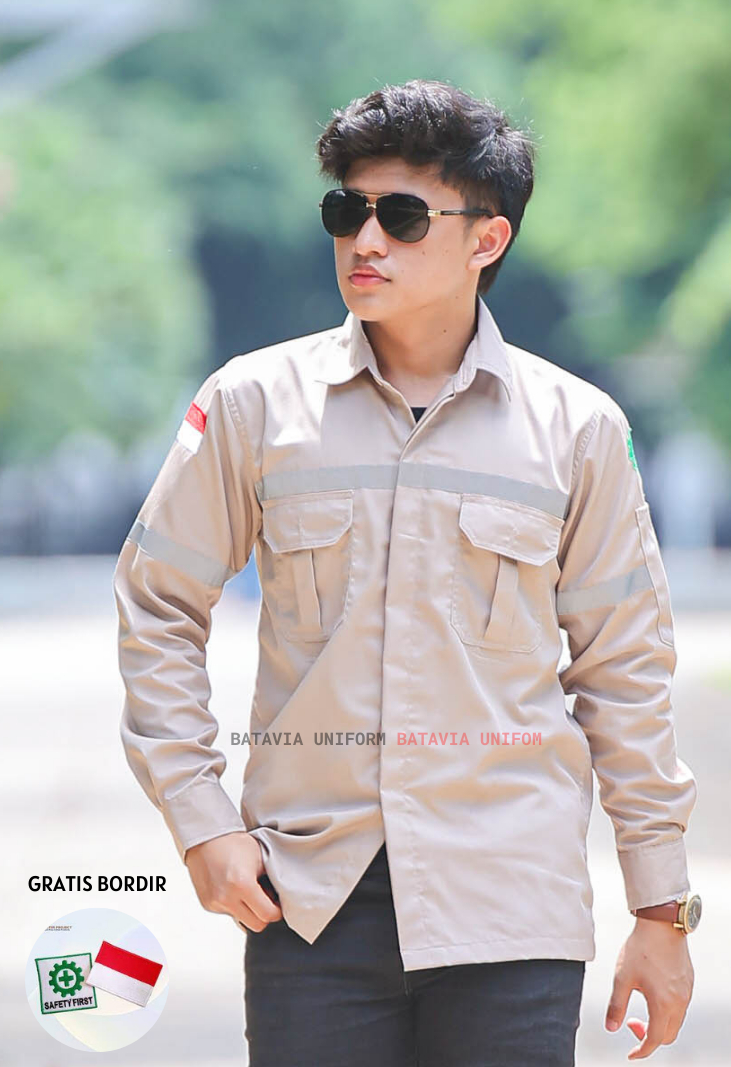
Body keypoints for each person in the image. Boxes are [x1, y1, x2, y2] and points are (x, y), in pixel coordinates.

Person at [113, 78, 700, 1067]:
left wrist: (661, 905)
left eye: (401, 215)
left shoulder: (578, 430)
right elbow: (157, 603)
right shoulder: (255, 405)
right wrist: (200, 819)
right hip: (310, 905)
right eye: (346, 211)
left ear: (486, 240)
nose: (365, 240)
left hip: (511, 906)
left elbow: (624, 672)